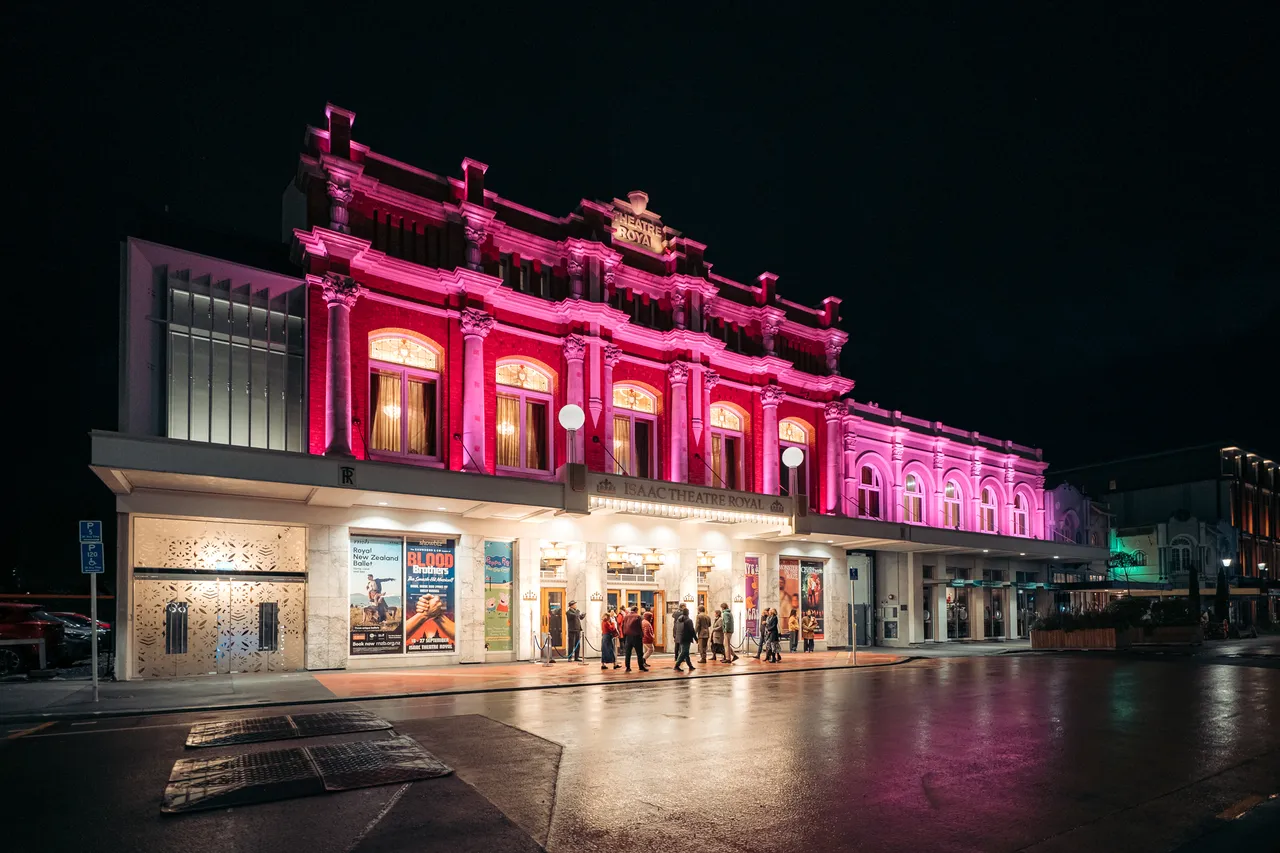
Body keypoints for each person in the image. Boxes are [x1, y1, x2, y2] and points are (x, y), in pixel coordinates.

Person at [621, 605, 649, 672]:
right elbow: (640, 627)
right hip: (636, 637)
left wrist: (624, 635)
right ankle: (641, 667)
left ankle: (628, 667)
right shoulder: (638, 616)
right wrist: (641, 635)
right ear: (636, 610)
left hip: (628, 637)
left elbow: (623, 626)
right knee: (639, 653)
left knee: (628, 653)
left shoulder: (626, 616)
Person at [673, 605, 696, 672]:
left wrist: (676, 636)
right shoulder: (689, 620)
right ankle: (677, 665)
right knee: (684, 652)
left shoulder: (679, 619)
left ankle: (690, 665)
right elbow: (692, 630)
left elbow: (676, 628)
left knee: (686, 652)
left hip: (680, 637)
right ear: (688, 613)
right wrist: (696, 638)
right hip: (686, 638)